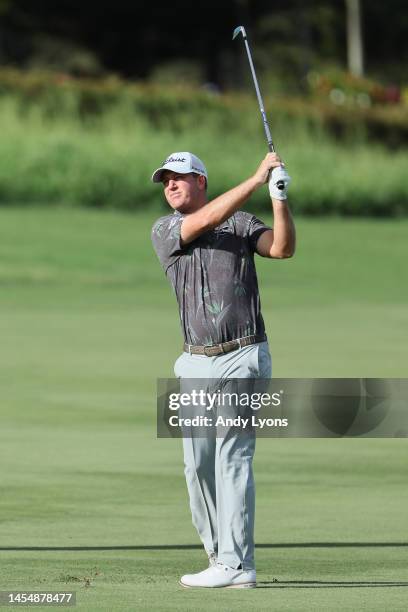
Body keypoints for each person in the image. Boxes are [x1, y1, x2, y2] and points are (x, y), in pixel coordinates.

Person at [151, 151, 295, 588]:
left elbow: (283, 248)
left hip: (242, 354)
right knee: (197, 467)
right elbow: (200, 225)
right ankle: (221, 558)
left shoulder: (243, 223)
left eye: (179, 178)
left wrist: (279, 198)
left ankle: (237, 564)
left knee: (232, 458)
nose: (170, 186)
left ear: (201, 181)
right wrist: (254, 179)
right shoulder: (165, 229)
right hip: (193, 359)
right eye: (165, 181)